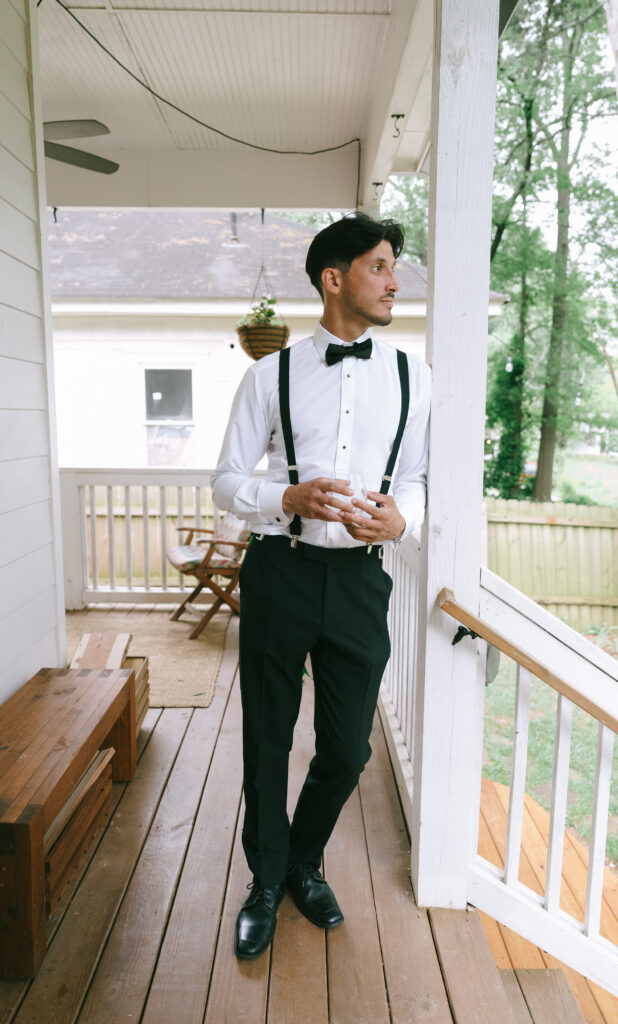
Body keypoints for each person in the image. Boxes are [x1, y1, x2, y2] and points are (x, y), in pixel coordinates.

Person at [211, 212, 431, 960]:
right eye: (379, 266)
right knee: (267, 738)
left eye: (392, 267)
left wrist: (401, 520)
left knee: (345, 749)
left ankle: (304, 858)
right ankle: (267, 881)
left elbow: (421, 480)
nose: (394, 280)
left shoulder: (413, 376)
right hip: (280, 572)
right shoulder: (266, 374)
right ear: (334, 278)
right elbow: (227, 480)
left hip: (360, 585)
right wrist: (286, 499)